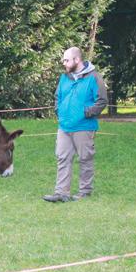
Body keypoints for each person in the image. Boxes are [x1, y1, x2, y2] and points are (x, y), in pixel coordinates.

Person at [43, 47, 108, 202]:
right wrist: (60, 111)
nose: (63, 63)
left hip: (84, 126)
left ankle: (84, 192)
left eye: (66, 60)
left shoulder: (94, 77)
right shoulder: (64, 78)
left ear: (77, 60)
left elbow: (102, 101)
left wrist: (86, 113)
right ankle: (61, 193)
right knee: (62, 158)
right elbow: (58, 97)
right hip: (64, 126)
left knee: (85, 159)